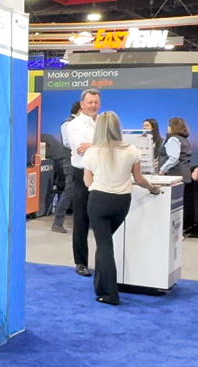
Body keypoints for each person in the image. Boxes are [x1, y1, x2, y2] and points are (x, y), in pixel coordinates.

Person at [83, 112, 161, 306]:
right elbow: (139, 179)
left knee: (104, 245)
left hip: (99, 201)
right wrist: (153, 189)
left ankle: (109, 293)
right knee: (106, 243)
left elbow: (87, 181)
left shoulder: (92, 152)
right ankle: (100, 284)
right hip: (121, 203)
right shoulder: (132, 150)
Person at [67, 89, 101, 276]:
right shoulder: (74, 125)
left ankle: (104, 263)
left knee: (103, 219)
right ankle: (81, 262)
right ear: (82, 104)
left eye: (96, 102)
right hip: (82, 174)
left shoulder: (103, 122)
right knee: (81, 220)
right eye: (90, 102)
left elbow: (113, 145)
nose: (93, 106)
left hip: (103, 174)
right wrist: (101, 146)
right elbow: (82, 150)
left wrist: (93, 145)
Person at [159, 117, 193, 231]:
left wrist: (162, 170)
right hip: (184, 175)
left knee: (171, 206)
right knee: (178, 207)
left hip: (174, 176)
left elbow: (173, 159)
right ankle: (177, 231)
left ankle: (170, 231)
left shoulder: (173, 139)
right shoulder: (184, 140)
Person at [52, 101, 81, 233]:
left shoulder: (80, 124)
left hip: (79, 161)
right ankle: (57, 222)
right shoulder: (67, 123)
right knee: (69, 190)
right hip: (70, 161)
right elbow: (67, 142)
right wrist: (82, 146)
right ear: (80, 110)